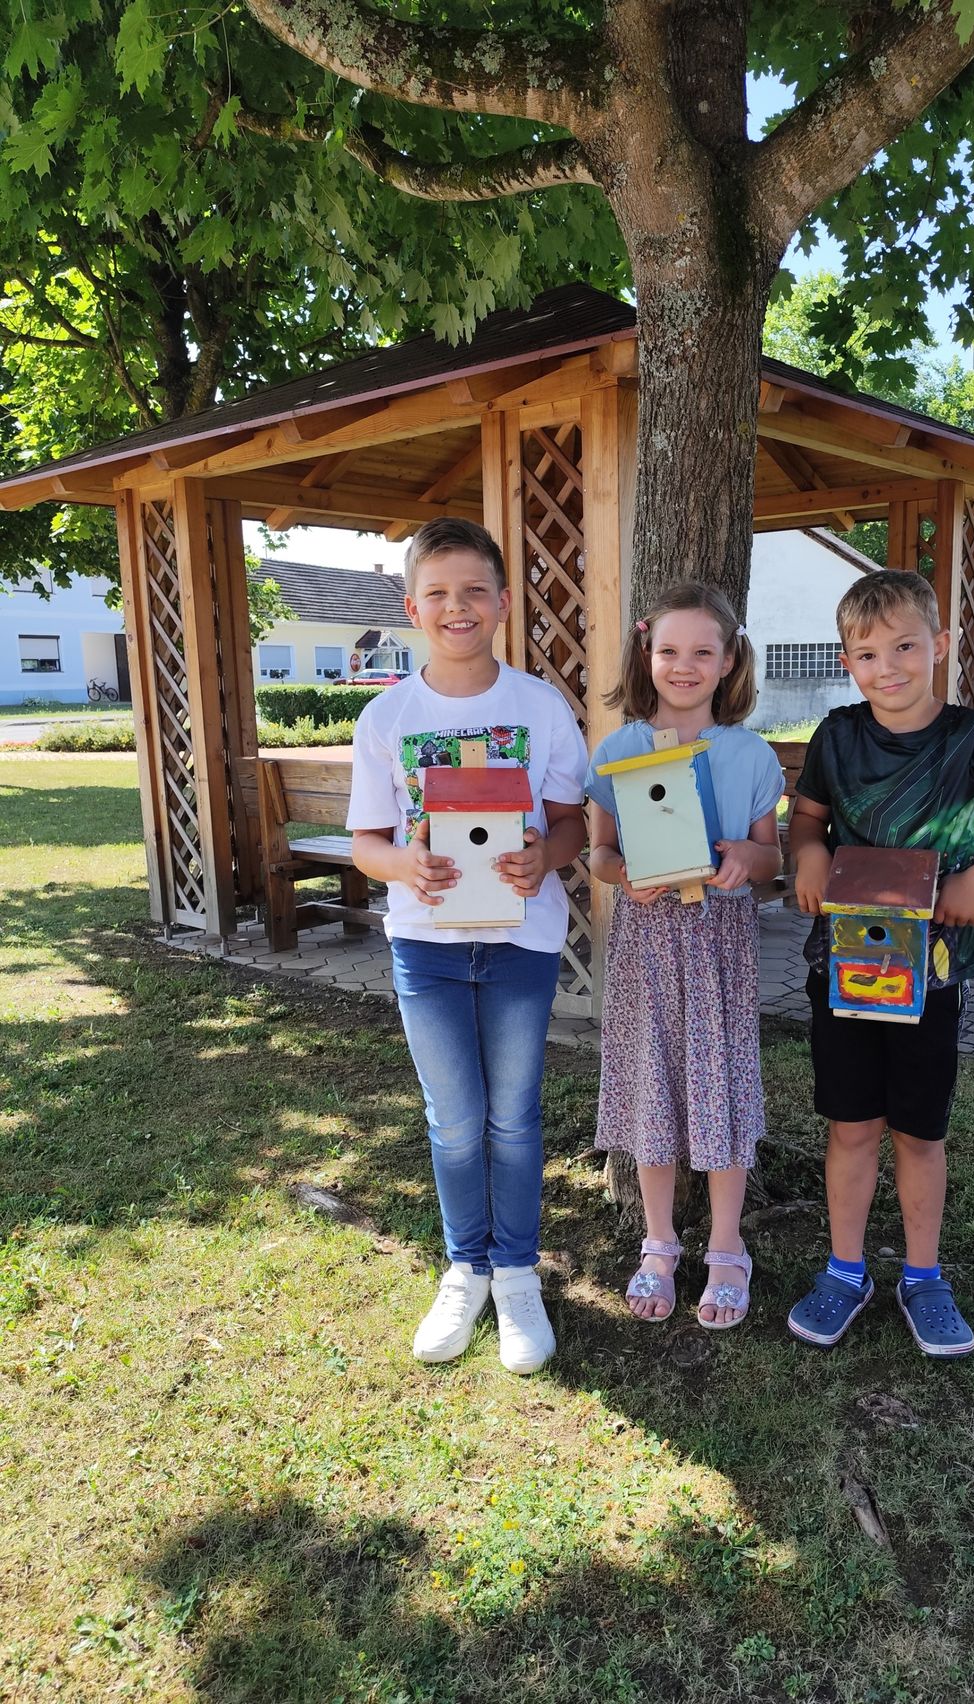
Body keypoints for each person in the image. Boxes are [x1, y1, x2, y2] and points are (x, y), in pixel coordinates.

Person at [786, 569, 974, 1358]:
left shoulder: (971, 739)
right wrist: (805, 854)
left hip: (933, 973)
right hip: (842, 966)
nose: (888, 667)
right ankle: (845, 1272)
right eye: (866, 653)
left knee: (919, 1132)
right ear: (847, 662)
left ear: (940, 646)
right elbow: (806, 820)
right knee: (850, 1126)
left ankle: (923, 1275)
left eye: (905, 646)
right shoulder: (836, 737)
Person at [347, 517, 588, 1375]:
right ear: (413, 607)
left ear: (502, 604)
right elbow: (367, 841)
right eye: (439, 593)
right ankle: (465, 1269)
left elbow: (570, 825)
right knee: (454, 1124)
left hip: (521, 943)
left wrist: (543, 859)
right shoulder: (386, 716)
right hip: (427, 947)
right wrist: (403, 863)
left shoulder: (539, 705)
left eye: (475, 590)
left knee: (513, 1118)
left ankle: (517, 1275)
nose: (459, 606)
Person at [587, 583, 784, 1329]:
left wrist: (745, 859)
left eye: (704, 651)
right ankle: (660, 1242)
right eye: (670, 650)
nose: (685, 665)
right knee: (653, 1087)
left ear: (730, 660)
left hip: (720, 952)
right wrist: (624, 875)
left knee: (720, 1087)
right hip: (646, 948)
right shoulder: (617, 751)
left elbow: (772, 856)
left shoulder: (750, 754)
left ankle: (729, 1245)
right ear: (648, 652)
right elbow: (602, 854)